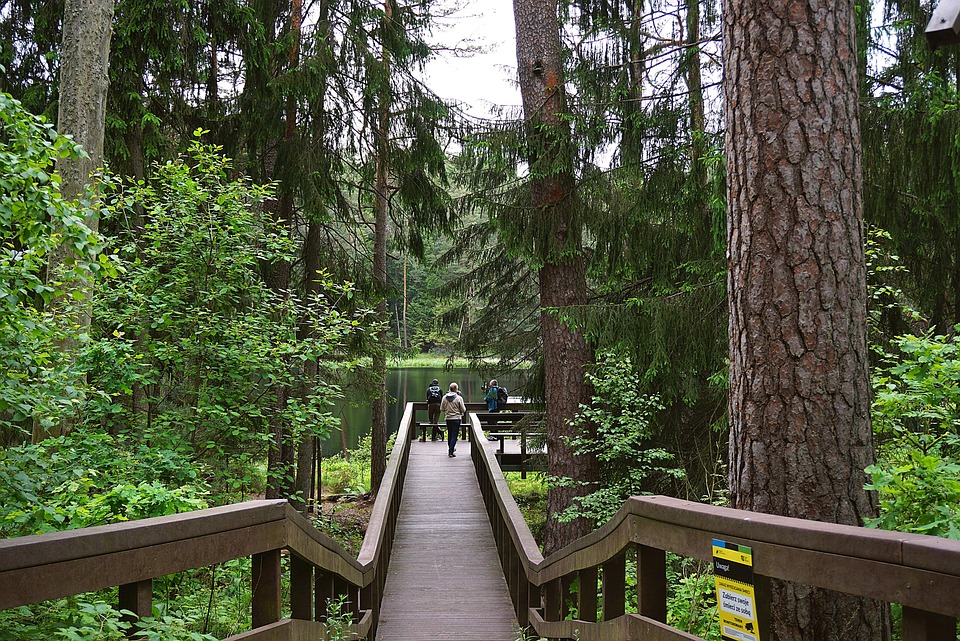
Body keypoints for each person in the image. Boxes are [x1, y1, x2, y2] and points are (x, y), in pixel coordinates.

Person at [440, 382, 467, 457]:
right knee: (454, 435)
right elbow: (463, 409)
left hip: (448, 418)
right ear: (456, 389)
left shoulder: (444, 398)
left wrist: (447, 410)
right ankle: (451, 450)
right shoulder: (459, 398)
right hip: (456, 418)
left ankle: (450, 448)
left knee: (450, 434)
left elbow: (441, 408)